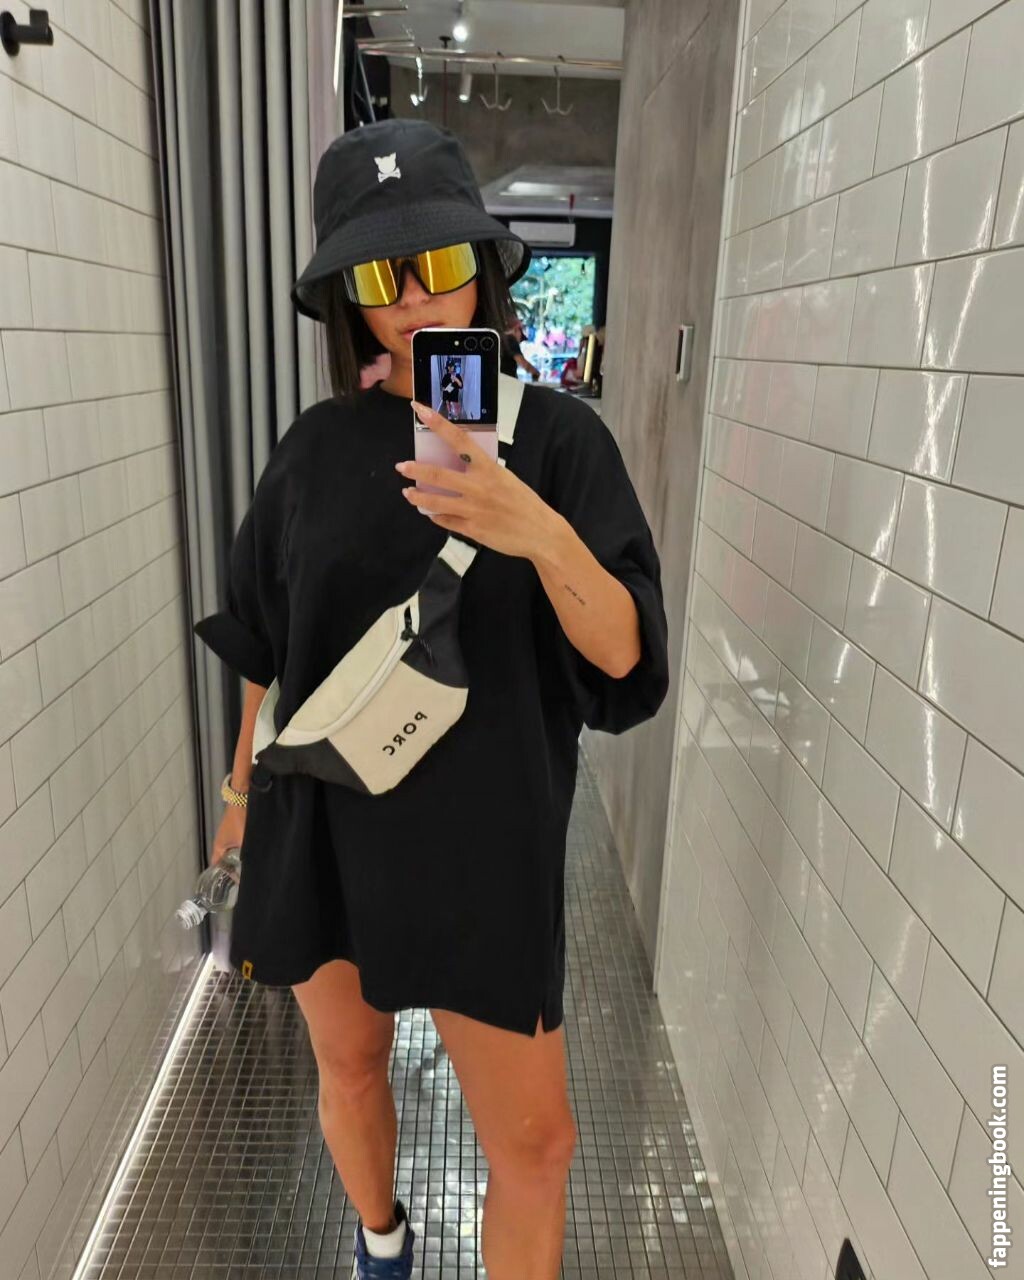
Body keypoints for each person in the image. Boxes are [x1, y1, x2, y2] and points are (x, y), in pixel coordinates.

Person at [193, 118, 669, 1280]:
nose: (412, 299)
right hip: (326, 815)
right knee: (349, 1066)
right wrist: (237, 797)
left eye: (438, 262)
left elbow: (625, 658)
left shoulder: (557, 442)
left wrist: (534, 527)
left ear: (482, 265)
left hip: (484, 842)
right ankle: (382, 1243)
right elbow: (265, 641)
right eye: (378, 276)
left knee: (537, 1144)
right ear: (344, 298)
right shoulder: (313, 450)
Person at [499, 315, 541, 381]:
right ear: (516, 329)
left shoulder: (500, 339)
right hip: (507, 381)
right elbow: (522, 362)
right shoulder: (510, 339)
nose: (520, 340)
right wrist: (535, 372)